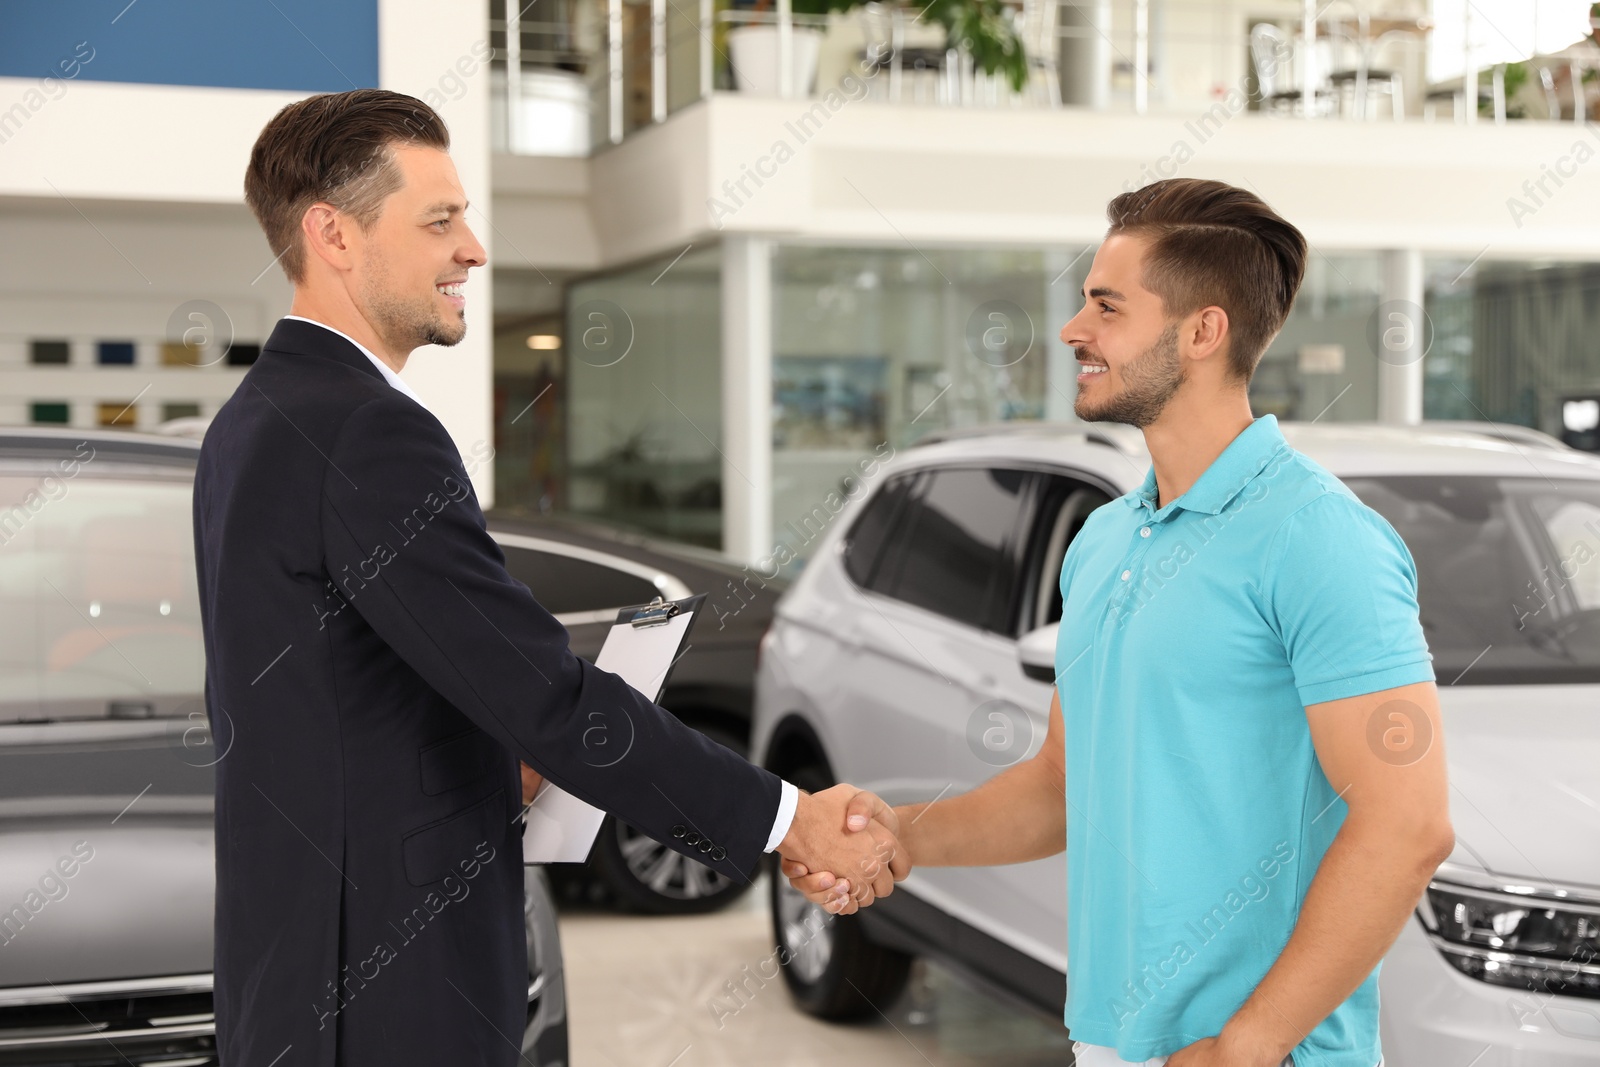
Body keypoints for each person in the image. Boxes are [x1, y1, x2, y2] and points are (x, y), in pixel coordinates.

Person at [192, 88, 905, 1066]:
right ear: (334, 235)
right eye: (440, 220)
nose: (473, 250)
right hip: (385, 990)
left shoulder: (251, 422)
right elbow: (543, 694)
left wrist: (499, 755)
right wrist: (788, 818)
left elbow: (341, 692)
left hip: (304, 974)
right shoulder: (370, 431)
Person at [783, 178, 1454, 1067]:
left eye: (1106, 306)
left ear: (1203, 331)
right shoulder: (1105, 538)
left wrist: (1244, 1046)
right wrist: (906, 836)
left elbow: (1408, 825)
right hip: (1110, 1035)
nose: (1072, 331)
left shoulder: (1319, 538)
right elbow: (1064, 783)